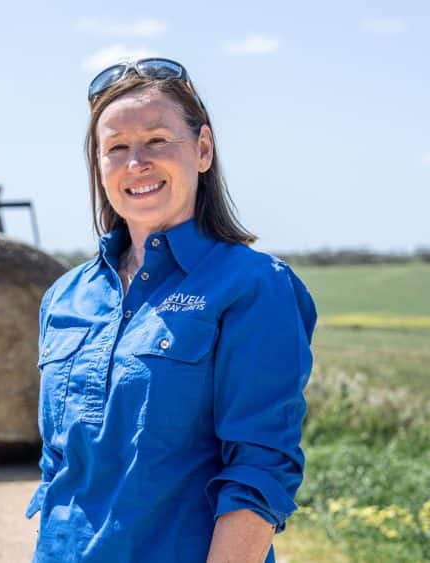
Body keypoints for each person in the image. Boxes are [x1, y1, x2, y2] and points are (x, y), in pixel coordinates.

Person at [26, 58, 316, 563]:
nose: (136, 162)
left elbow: (259, 468)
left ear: (202, 150)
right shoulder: (65, 297)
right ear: (99, 166)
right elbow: (61, 471)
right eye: (116, 148)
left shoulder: (252, 285)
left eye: (158, 140)